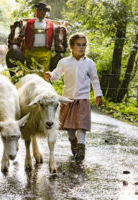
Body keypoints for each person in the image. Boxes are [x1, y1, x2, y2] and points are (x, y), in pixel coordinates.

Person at [44, 33, 103, 161]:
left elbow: (95, 80)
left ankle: (81, 147)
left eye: (83, 45)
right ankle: (73, 141)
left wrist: (98, 94)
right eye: (78, 45)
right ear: (71, 46)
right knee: (69, 126)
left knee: (81, 125)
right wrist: (51, 75)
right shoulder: (64, 62)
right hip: (68, 99)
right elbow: (56, 74)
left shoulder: (89, 64)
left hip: (83, 98)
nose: (81, 47)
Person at [22, 2, 54, 72]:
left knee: (44, 74)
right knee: (30, 75)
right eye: (40, 10)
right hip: (31, 52)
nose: (42, 12)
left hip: (45, 53)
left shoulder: (51, 25)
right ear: (37, 11)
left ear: (46, 13)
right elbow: (21, 37)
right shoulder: (28, 24)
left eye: (44, 11)